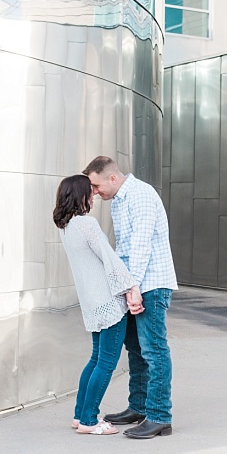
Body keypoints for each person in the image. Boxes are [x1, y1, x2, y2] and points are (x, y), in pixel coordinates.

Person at [82, 155, 177, 438]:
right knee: (135, 350)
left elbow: (140, 247)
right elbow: (123, 249)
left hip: (150, 286)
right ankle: (138, 406)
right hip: (134, 286)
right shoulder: (120, 201)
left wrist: (131, 288)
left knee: (154, 350)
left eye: (97, 186)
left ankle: (160, 416)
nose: (96, 193)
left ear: (112, 177)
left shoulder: (141, 195)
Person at [54, 174, 144, 435]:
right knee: (105, 362)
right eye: (89, 192)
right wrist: (132, 288)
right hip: (109, 303)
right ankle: (89, 421)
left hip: (92, 304)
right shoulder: (87, 224)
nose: (93, 195)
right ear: (80, 196)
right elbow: (110, 259)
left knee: (95, 360)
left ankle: (79, 415)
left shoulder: (67, 227)